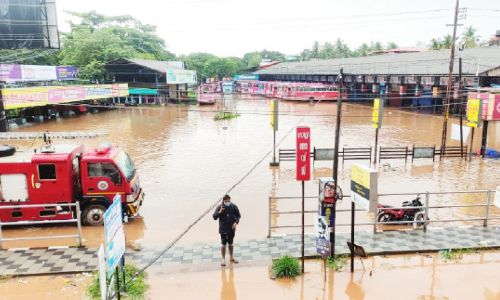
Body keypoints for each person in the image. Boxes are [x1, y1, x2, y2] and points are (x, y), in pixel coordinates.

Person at [213, 194, 241, 267]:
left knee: (231, 243)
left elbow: (238, 216)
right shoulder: (219, 207)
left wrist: (236, 222)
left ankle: (231, 257)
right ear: (223, 201)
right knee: (223, 243)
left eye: (228, 201)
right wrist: (220, 211)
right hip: (223, 229)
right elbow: (214, 217)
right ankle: (223, 259)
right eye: (226, 201)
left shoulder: (234, 207)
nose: (227, 202)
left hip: (231, 228)